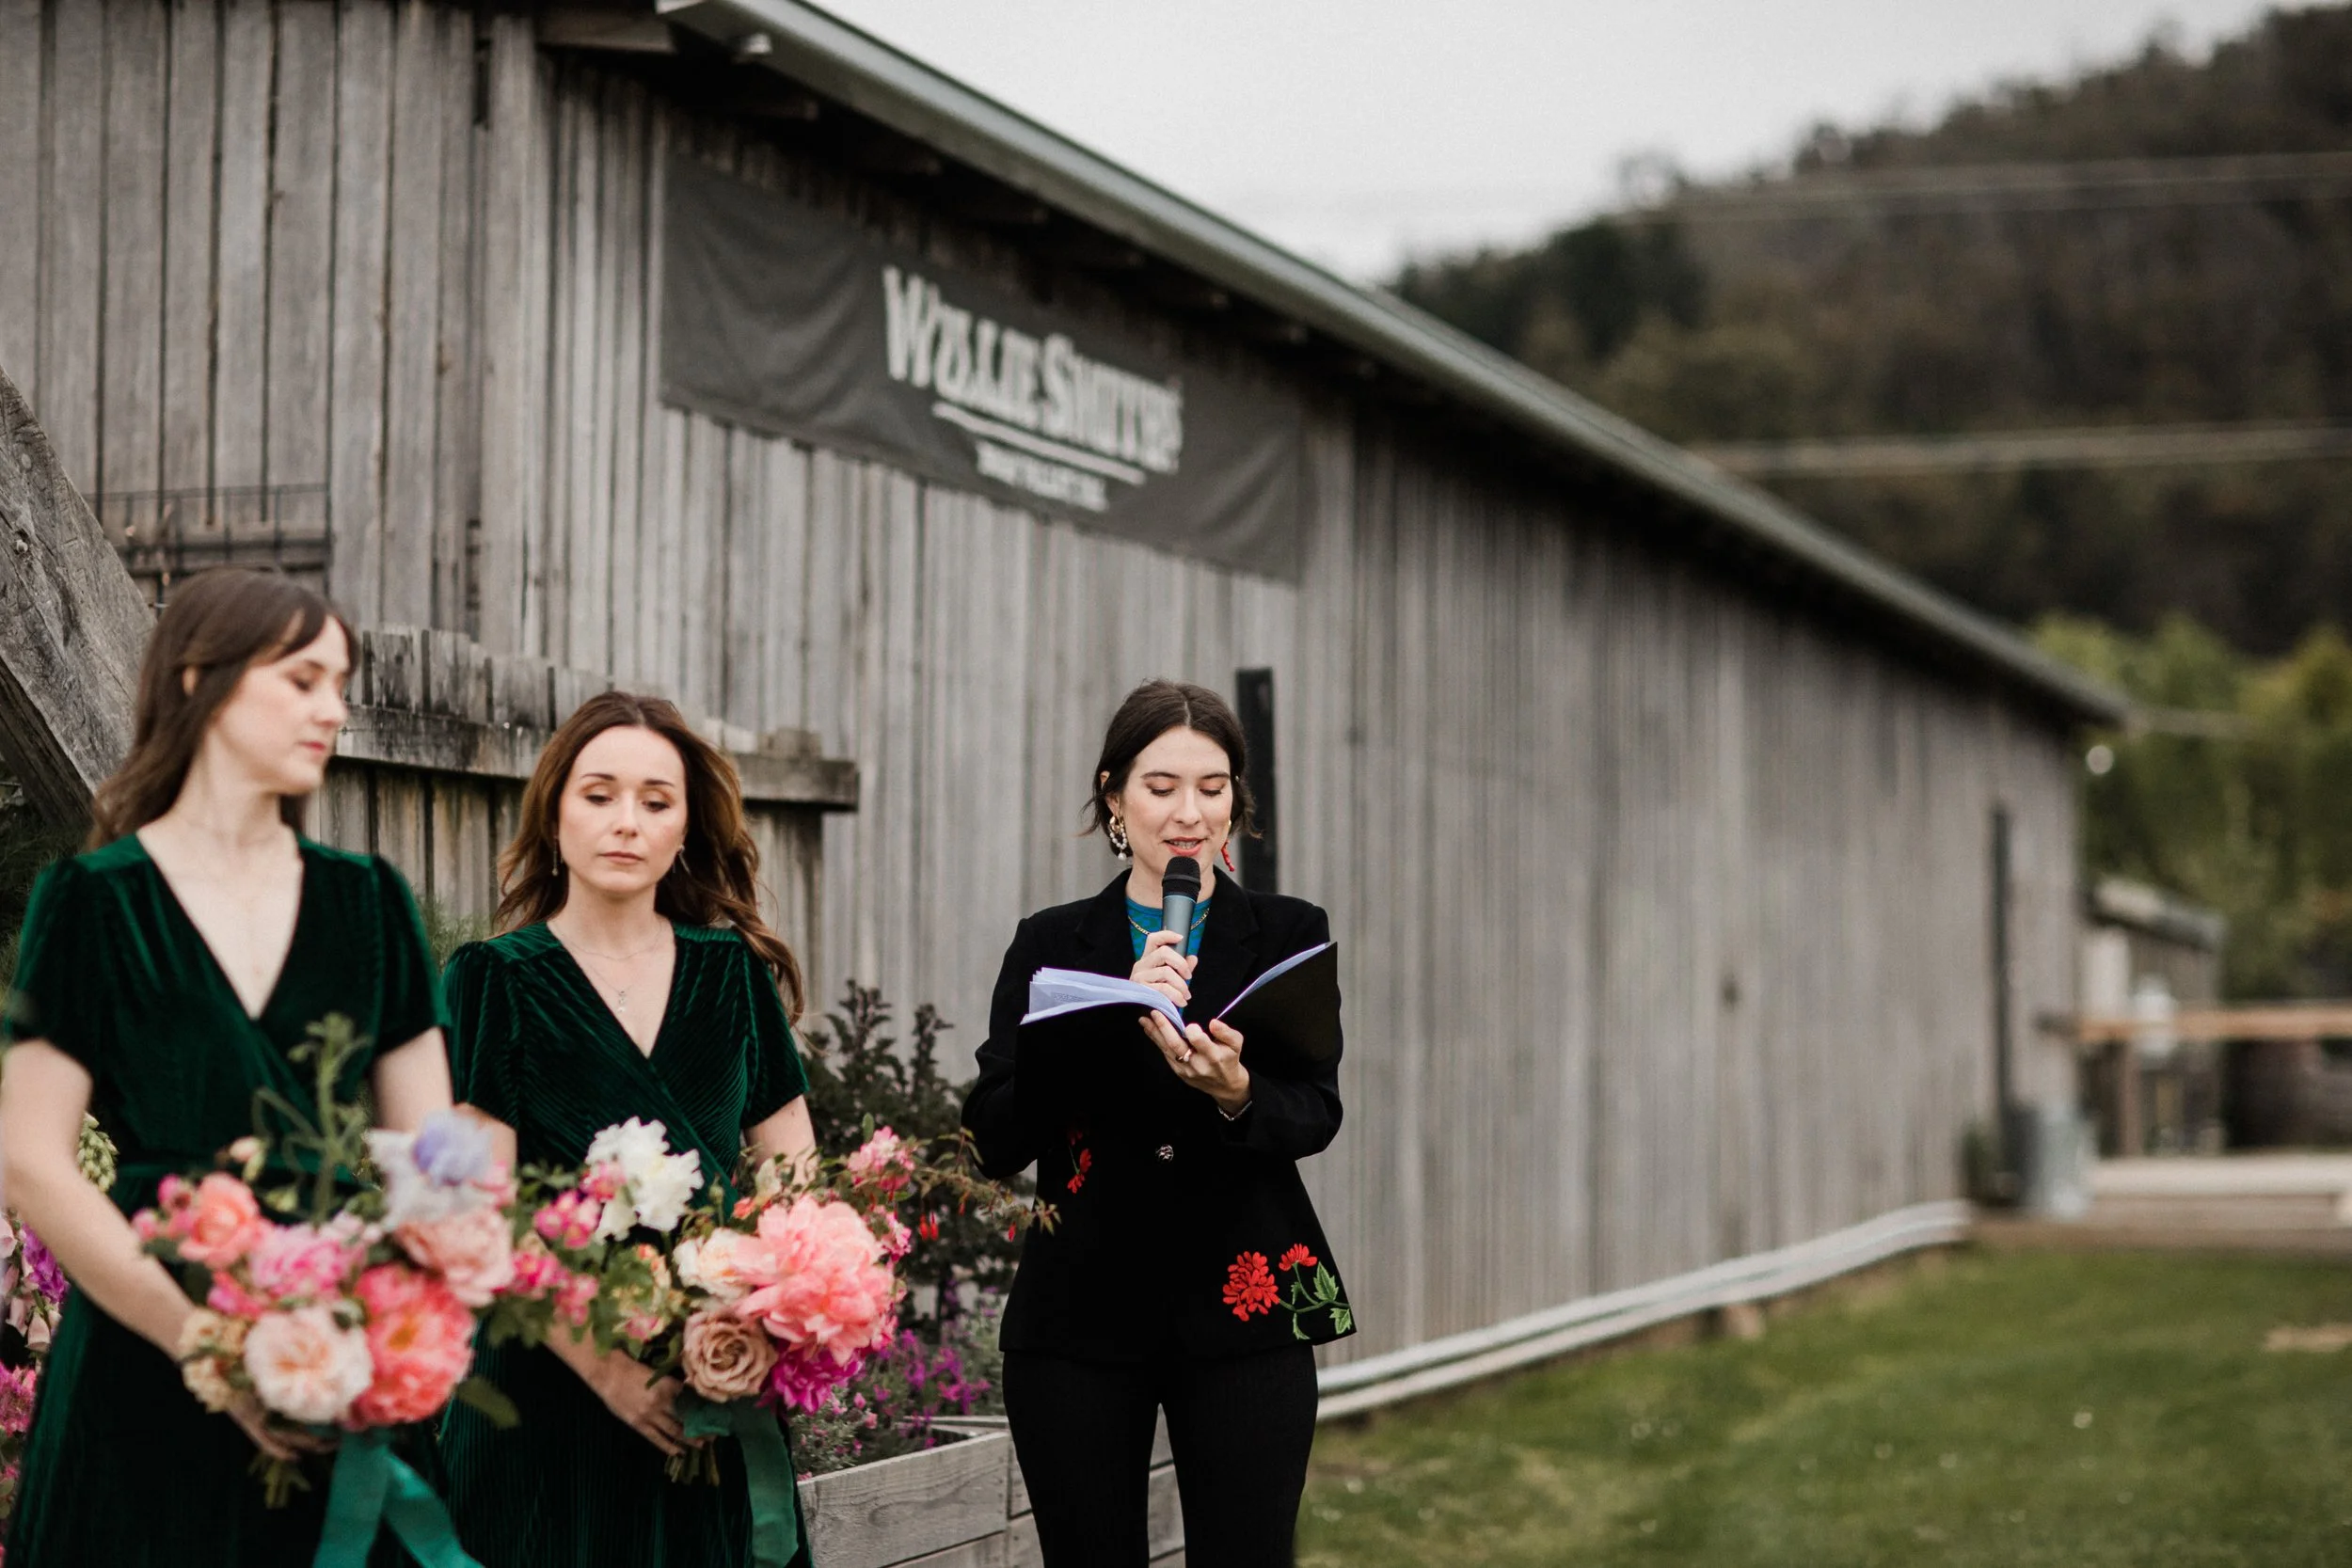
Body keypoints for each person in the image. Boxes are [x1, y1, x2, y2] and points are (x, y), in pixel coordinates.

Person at [0, 569, 455, 1564]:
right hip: (143, 1360)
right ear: (200, 678)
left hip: (341, 1357)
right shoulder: (89, 901)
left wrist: (393, 1319)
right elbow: (28, 1156)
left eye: (340, 681)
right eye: (300, 679)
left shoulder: (371, 900)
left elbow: (435, 1150)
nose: (332, 707)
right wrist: (213, 1348)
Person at [962, 678, 1353, 1568]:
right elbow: (991, 1134)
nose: (1189, 813)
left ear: (1236, 801)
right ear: (1114, 797)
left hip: (1246, 1299)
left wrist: (1236, 1088)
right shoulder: (1052, 943)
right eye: (1160, 785)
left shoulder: (1289, 930)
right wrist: (1106, 1028)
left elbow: (1316, 1109)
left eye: (1213, 787)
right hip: (1081, 1313)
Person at [439, 690, 817, 1568]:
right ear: (555, 813)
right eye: (599, 794)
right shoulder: (492, 981)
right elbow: (472, 1210)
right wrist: (607, 1369)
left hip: (706, 1392)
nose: (627, 822)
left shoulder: (735, 981)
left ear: (685, 826)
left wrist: (768, 1318)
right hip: (541, 1395)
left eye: (656, 800)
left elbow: (798, 1189)